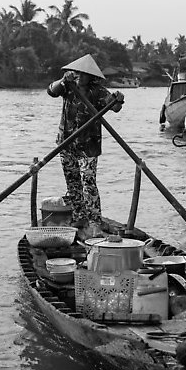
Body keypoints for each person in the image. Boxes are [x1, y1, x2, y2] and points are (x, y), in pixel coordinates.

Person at [47, 54, 124, 240]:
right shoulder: (67, 86)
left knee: (88, 181)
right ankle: (79, 217)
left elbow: (115, 107)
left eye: (84, 74)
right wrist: (63, 80)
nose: (80, 76)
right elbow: (51, 91)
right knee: (72, 181)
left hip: (88, 145)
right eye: (77, 73)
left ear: (91, 77)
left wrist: (119, 99)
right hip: (66, 142)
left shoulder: (97, 91)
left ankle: (95, 221)